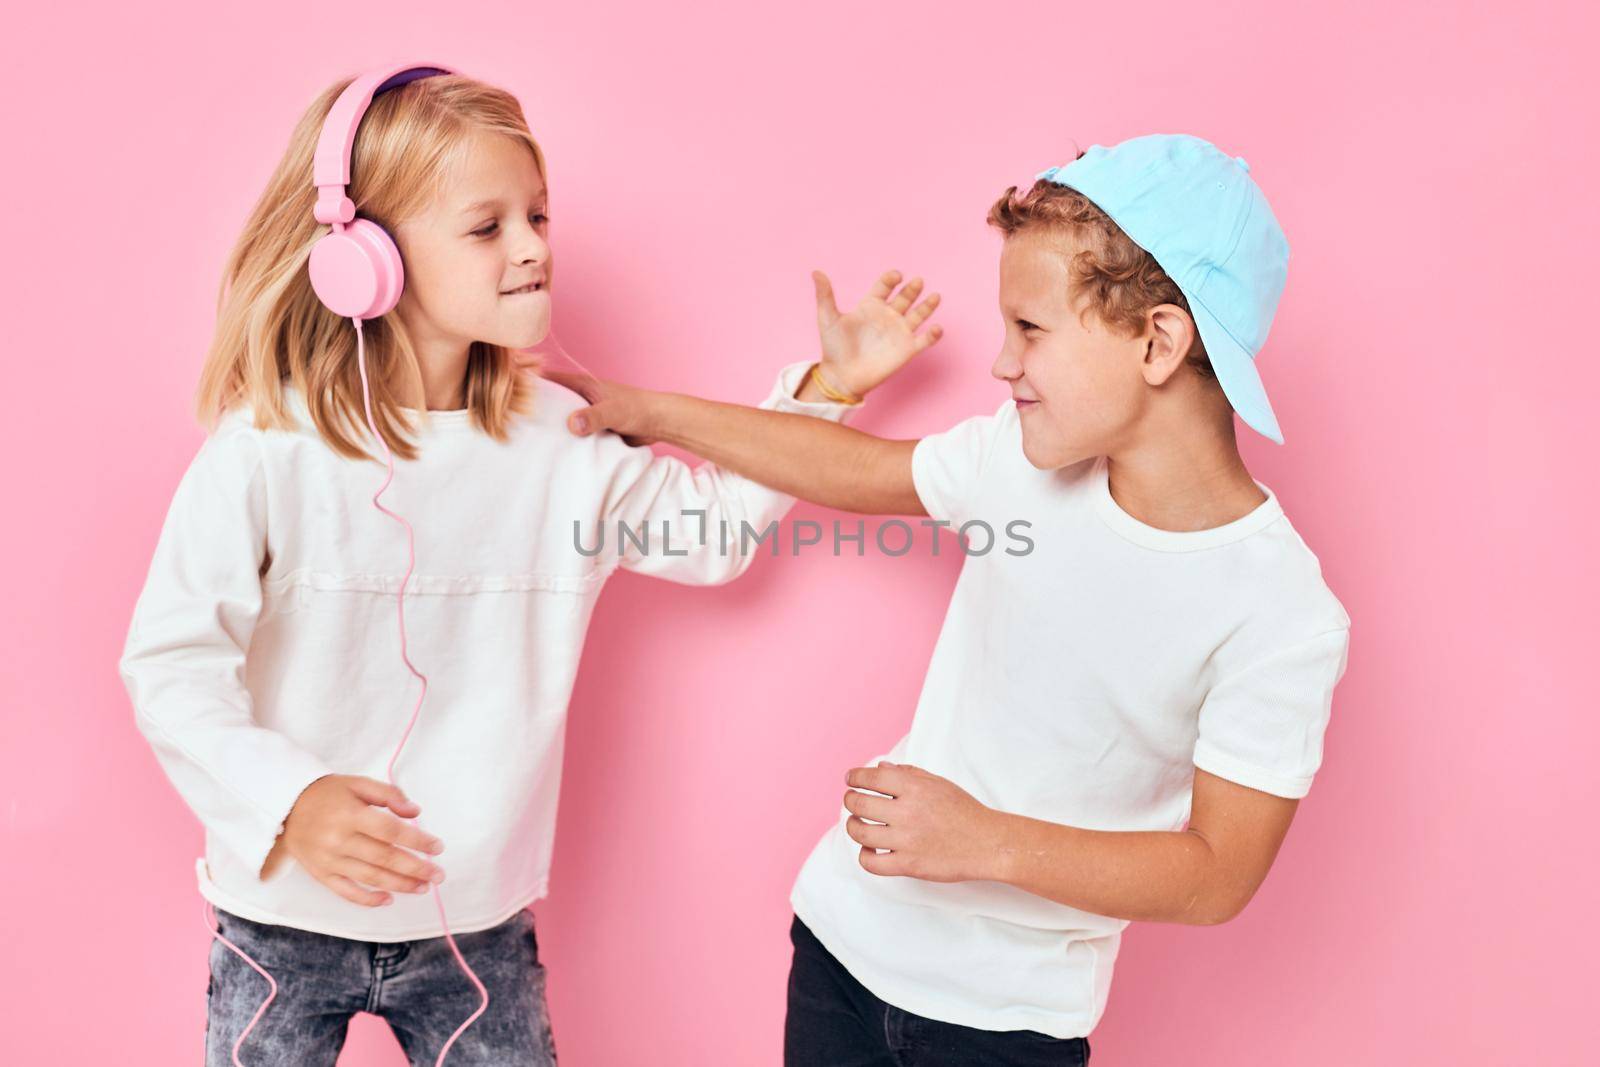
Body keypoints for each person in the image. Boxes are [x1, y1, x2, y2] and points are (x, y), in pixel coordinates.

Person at [117, 65, 941, 1065]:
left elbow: (715, 534)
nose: (532, 247)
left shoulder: (563, 438)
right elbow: (168, 665)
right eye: (486, 226)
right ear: (362, 257)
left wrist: (821, 393)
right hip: (277, 920)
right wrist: (291, 799)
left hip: (476, 927)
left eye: (538, 216)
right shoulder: (265, 449)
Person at [562, 134, 1353, 1066]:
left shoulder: (1280, 613)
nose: (1001, 364)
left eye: (1031, 329)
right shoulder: (1021, 459)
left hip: (1008, 1026)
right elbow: (857, 471)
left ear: (1157, 341)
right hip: (840, 949)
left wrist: (984, 841)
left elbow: (1218, 874)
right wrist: (651, 413)